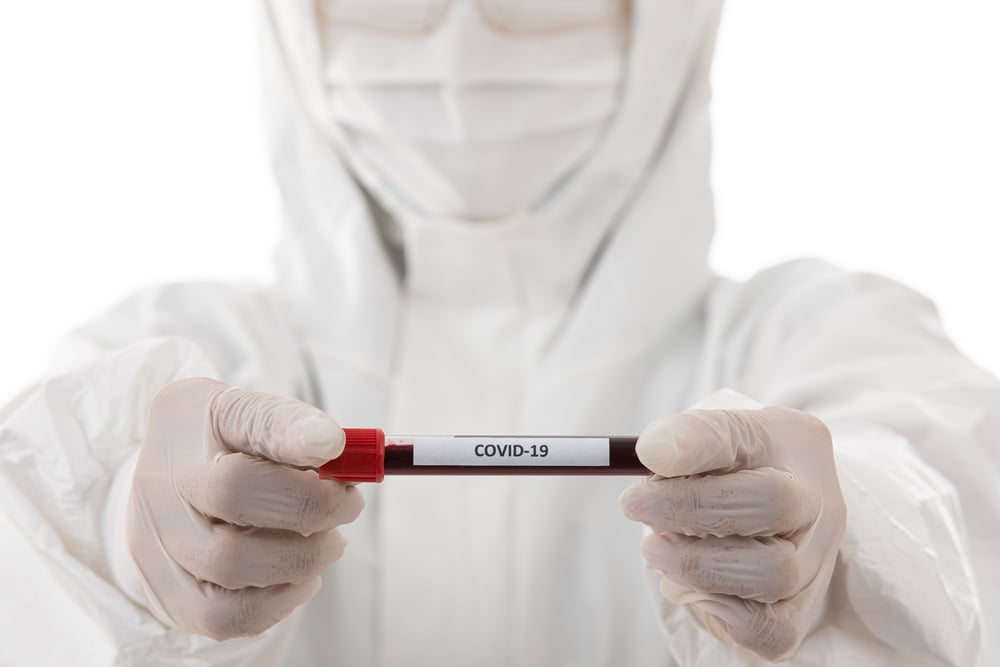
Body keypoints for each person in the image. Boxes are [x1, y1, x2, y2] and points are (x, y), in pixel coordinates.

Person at [1, 0, 997, 664]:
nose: (461, 46)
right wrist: (120, 544)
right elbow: (30, 537)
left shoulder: (816, 336)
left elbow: (946, 486)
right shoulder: (172, 348)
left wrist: (851, 537)